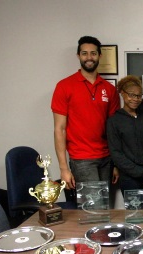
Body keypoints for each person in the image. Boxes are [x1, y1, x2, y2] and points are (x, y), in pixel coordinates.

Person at [52, 36, 120, 191]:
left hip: (106, 158)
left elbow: (113, 130)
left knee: (104, 208)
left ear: (99, 56)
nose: (89, 57)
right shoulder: (64, 86)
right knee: (93, 209)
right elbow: (59, 129)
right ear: (78, 56)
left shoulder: (109, 90)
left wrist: (115, 164)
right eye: (84, 53)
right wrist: (63, 168)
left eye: (93, 53)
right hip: (81, 158)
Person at [107, 75, 143, 209]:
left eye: (139, 96)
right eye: (132, 95)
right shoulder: (114, 121)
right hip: (129, 178)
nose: (135, 99)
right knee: (135, 216)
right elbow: (116, 154)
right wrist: (142, 173)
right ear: (122, 93)